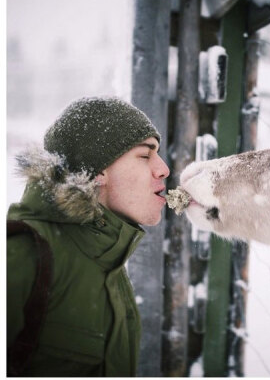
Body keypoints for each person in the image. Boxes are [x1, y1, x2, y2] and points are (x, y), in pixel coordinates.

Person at [7, 97, 170, 376]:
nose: (164, 168)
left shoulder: (107, 259)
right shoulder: (22, 254)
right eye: (145, 155)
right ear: (97, 172)